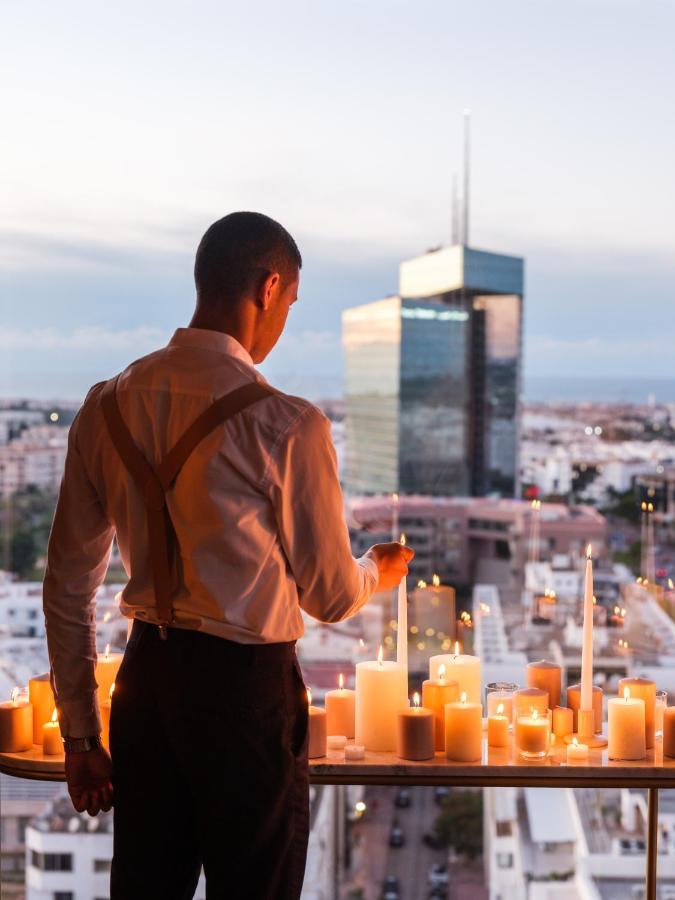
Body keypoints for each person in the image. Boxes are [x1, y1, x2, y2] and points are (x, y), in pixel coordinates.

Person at [43, 211, 413, 900]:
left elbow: (67, 587)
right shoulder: (285, 423)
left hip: (144, 686)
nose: (281, 324)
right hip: (244, 694)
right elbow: (330, 595)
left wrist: (80, 735)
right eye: (290, 305)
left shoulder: (105, 406)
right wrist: (377, 571)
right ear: (270, 288)